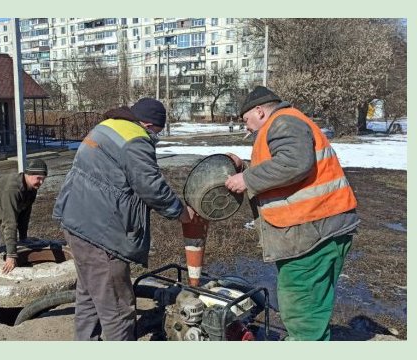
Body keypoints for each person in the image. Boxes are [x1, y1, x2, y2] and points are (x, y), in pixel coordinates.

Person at [53, 98, 195, 341]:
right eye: (156, 134)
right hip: (101, 234)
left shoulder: (107, 126)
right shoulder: (135, 139)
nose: (155, 140)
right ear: (148, 125)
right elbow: (150, 186)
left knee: (89, 296)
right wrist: (180, 212)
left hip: (75, 222)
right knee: (118, 309)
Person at [224, 86, 359, 341]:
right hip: (320, 227)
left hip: (312, 232)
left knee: (301, 305)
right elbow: (283, 165)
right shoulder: (285, 123)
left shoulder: (283, 122)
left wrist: (248, 178)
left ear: (260, 111)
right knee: (313, 302)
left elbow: (294, 163)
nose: (246, 128)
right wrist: (245, 166)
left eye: (246, 120)